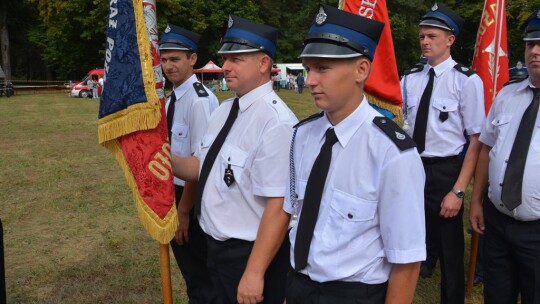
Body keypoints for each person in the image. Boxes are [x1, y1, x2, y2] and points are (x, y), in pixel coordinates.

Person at [284, 4, 426, 303]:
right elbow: (296, 215)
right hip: (299, 284)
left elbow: (407, 259)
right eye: (309, 68)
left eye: (323, 68)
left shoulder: (392, 152)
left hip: (353, 294)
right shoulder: (303, 135)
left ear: (362, 69)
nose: (310, 80)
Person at [172, 14, 298, 304]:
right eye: (225, 58)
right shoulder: (226, 109)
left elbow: (278, 207)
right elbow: (201, 166)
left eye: (236, 59)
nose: (225, 66)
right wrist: (165, 159)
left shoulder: (276, 122)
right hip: (214, 245)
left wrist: (254, 273)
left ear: (264, 63)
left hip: (249, 253)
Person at [401, 3, 485, 303]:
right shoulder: (410, 78)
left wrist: (459, 191)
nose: (425, 41)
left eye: (432, 36)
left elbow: (476, 140)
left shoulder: (466, 80)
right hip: (412, 167)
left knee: (450, 250)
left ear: (450, 40)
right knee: (407, 238)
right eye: (422, 36)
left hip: (445, 171)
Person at [469, 10, 540, 303]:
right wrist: (475, 201)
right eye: (530, 43)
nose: (535, 50)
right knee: (497, 296)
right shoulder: (507, 95)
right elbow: (487, 149)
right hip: (496, 222)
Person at [159, 23, 219, 303]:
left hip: (191, 200)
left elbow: (202, 166)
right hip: (173, 194)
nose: (168, 66)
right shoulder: (173, 99)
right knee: (190, 272)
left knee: (202, 278)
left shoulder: (199, 101)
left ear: (193, 59)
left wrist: (184, 211)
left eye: (175, 59)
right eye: (164, 59)